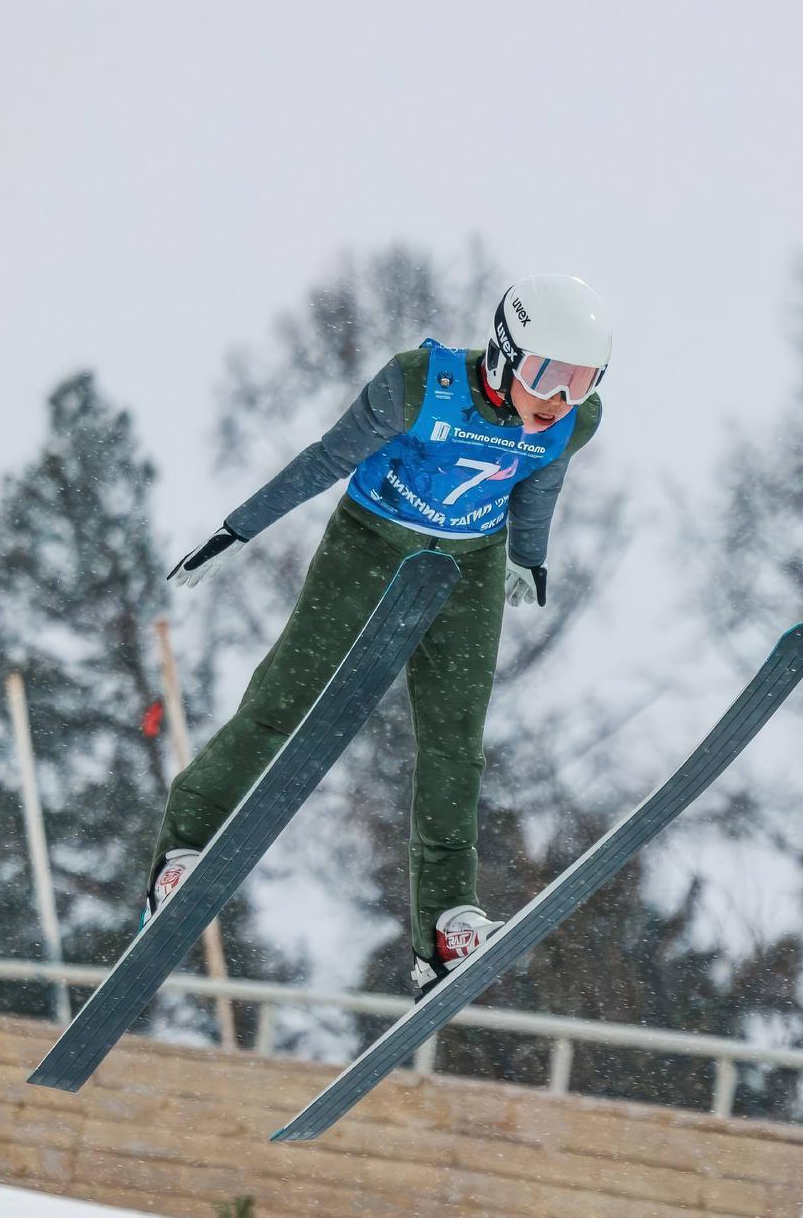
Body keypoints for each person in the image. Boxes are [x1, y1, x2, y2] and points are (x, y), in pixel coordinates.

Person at [147, 273, 610, 996]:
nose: (561, 402)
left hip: (469, 563)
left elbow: (539, 483)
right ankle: (184, 850)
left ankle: (445, 928)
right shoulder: (418, 385)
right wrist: (237, 530)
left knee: (457, 741)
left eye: (582, 383)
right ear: (505, 352)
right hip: (370, 544)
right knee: (285, 701)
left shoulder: (574, 423)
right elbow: (326, 459)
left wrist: (528, 556)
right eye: (551, 377)